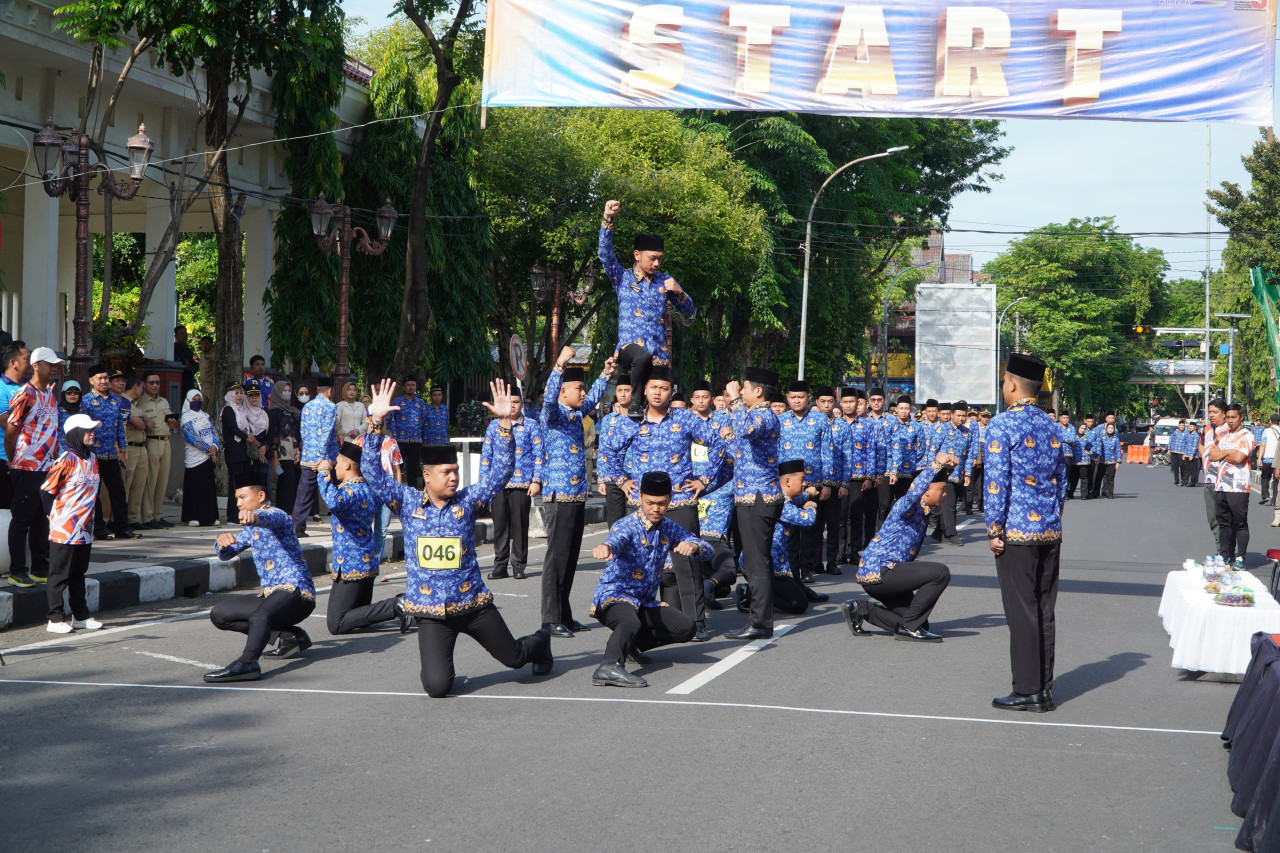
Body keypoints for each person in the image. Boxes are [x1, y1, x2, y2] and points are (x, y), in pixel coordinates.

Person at [364, 377, 553, 697]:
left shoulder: (468, 502)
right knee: (437, 686)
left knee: (515, 659)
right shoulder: (407, 503)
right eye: (446, 473)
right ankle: (440, 663)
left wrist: (504, 425)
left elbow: (500, 473)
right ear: (426, 476)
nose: (454, 477)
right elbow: (371, 472)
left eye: (456, 471)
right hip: (430, 612)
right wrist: (376, 423)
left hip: (472, 605)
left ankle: (541, 643)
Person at [597, 364, 724, 640]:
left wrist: (703, 480)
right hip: (642, 505)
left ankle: (697, 621)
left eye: (664, 388)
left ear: (671, 391)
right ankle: (638, 621)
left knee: (687, 561)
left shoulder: (685, 418)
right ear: (645, 390)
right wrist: (622, 480)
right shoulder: (631, 420)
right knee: (639, 563)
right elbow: (607, 451)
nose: (658, 392)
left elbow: (717, 443)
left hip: (680, 500)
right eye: (653, 387)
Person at [985, 353, 1067, 713]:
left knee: (1021, 612)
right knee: (1043, 609)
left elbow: (995, 482)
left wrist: (994, 528)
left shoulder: (1001, 425)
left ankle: (1027, 690)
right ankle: (1044, 687)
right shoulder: (1052, 425)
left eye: (1004, 381)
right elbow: (1062, 480)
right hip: (1049, 530)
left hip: (1017, 532)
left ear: (1013, 384)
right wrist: (1053, 518)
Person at [588, 471, 714, 688]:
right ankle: (608, 666)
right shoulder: (627, 525)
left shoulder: (669, 527)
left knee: (686, 627)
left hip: (643, 602)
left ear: (670, 501)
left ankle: (631, 644)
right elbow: (616, 539)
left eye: (661, 503)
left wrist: (693, 546)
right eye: (650, 503)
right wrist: (605, 547)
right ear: (640, 498)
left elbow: (708, 550)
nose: (656, 508)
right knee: (629, 622)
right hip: (614, 598)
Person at [206, 472, 316, 683]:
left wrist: (256, 517)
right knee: (219, 614)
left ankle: (248, 662)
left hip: (297, 593)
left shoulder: (277, 515)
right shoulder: (250, 529)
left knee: (260, 617)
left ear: (261, 496)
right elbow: (227, 554)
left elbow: (269, 518)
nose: (238, 503)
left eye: (242, 497)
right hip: (272, 595)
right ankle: (291, 636)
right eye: (236, 498)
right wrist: (221, 540)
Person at [840, 452, 958, 643]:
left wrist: (947, 470)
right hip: (881, 571)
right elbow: (914, 492)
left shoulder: (923, 509)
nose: (945, 494)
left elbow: (932, 482)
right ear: (926, 490)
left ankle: (861, 609)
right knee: (941, 573)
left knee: (919, 622)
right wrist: (936, 464)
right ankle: (908, 628)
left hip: (885, 576)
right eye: (942, 490)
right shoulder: (907, 505)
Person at [538, 345, 614, 637]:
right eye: (578, 389)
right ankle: (550, 618)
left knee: (569, 559)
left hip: (578, 494)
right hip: (559, 496)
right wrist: (559, 365)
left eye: (583, 389)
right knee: (557, 558)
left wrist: (606, 374)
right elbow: (548, 400)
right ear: (562, 391)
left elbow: (593, 398)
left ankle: (564, 615)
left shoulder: (575, 414)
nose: (583, 394)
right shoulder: (552, 414)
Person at [598, 200, 696, 419]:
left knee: (659, 402)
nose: (657, 264)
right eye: (652, 259)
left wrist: (680, 292)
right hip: (629, 349)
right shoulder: (622, 277)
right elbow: (604, 254)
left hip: (659, 355)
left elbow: (690, 312)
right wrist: (608, 219)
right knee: (641, 356)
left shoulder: (665, 281)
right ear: (637, 255)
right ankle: (634, 403)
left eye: (660, 259)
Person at [318, 443, 408, 635]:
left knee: (337, 623)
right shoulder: (368, 490)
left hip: (351, 565)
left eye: (337, 463)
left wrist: (323, 473)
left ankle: (396, 604)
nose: (335, 467)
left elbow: (332, 502)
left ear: (348, 465)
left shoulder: (351, 492)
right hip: (367, 562)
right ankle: (395, 606)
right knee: (359, 617)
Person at [721, 366, 783, 641]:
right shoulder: (756, 414)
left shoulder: (763, 415)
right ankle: (760, 619)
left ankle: (760, 622)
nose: (740, 391)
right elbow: (743, 450)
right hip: (751, 495)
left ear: (758, 391)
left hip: (757, 498)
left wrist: (734, 398)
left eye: (744, 387)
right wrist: (727, 437)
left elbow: (746, 430)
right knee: (758, 561)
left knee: (756, 563)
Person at [731, 460, 826, 619]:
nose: (804, 484)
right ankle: (749, 593)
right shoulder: (779, 503)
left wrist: (808, 494)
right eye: (802, 480)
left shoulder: (780, 496)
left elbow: (797, 498)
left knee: (797, 594)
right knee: (798, 604)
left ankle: (758, 592)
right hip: (762, 566)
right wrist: (811, 506)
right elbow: (807, 519)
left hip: (772, 565)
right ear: (787, 481)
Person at [41, 413, 104, 633]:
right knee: (59, 575)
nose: (92, 434)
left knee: (78, 574)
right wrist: (52, 516)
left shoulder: (93, 458)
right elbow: (46, 491)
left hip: (85, 528)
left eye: (93, 430)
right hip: (65, 527)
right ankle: (55, 619)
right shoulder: (66, 459)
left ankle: (81, 616)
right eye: (87, 430)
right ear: (76, 433)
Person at [5, 347, 62, 588]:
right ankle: (17, 570)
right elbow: (11, 433)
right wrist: (14, 462)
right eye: (50, 364)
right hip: (26, 467)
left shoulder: (50, 394)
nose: (54, 369)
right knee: (22, 519)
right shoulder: (24, 394)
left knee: (41, 518)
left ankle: (39, 566)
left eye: (56, 364)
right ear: (36, 366)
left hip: (47, 467)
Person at [485, 395, 542, 581]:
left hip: (522, 484)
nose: (512, 406)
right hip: (498, 484)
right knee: (500, 527)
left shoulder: (531, 425)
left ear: (522, 404)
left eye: (516, 402)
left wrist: (536, 480)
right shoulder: (493, 426)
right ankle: (500, 566)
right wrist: (485, 484)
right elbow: (486, 456)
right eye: (509, 402)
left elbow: (539, 455)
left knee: (520, 526)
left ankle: (519, 566)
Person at [82, 365, 136, 540]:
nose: (104, 381)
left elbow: (120, 427)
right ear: (92, 381)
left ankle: (122, 528)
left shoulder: (115, 400)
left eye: (106, 378)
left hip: (112, 454)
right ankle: (99, 529)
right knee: (95, 494)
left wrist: (123, 451)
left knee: (118, 493)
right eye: (100, 378)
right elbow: (82, 429)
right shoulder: (86, 401)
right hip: (94, 455)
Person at [1208, 403, 1256, 567]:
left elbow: (1239, 458)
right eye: (1227, 417)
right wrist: (1229, 452)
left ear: (1241, 417)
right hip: (1220, 485)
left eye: (1233, 417)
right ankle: (1224, 555)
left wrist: (1222, 454)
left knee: (1239, 523)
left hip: (1238, 486)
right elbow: (1212, 455)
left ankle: (1240, 557)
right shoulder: (1222, 435)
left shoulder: (1247, 436)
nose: (1230, 420)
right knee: (1223, 523)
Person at [292, 376, 338, 536]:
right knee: (334, 491)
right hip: (326, 459)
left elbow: (303, 431)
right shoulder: (330, 406)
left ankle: (297, 527)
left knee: (304, 494)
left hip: (308, 456)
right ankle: (341, 526)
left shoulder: (307, 406)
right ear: (330, 390)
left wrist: (309, 453)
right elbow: (327, 433)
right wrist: (322, 457)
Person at [351, 427, 403, 567]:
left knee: (381, 531)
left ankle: (374, 565)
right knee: (364, 528)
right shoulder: (359, 441)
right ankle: (363, 563)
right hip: (367, 491)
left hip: (387, 491)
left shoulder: (391, 442)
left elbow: (397, 469)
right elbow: (352, 467)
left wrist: (397, 492)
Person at [221, 381, 269, 524]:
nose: (239, 396)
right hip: (234, 452)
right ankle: (232, 516)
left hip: (244, 453)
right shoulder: (228, 409)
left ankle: (244, 515)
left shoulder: (241, 410)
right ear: (230, 395)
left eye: (241, 393)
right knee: (234, 484)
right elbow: (233, 428)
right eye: (236, 393)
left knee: (244, 485)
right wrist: (247, 437)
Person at [137, 371, 177, 528]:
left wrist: (172, 424)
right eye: (151, 382)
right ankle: (148, 517)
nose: (155, 385)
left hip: (166, 441)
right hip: (151, 442)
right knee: (150, 481)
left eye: (157, 382)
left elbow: (168, 423)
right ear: (144, 384)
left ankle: (158, 515)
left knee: (162, 481)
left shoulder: (163, 401)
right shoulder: (141, 403)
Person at [931, 400, 973, 546]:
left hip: (959, 474)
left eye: (964, 416)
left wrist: (967, 474)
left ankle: (939, 531)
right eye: (958, 415)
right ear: (952, 414)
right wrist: (933, 471)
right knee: (949, 505)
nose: (961, 418)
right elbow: (932, 451)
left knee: (950, 503)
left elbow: (969, 455)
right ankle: (950, 534)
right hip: (943, 474)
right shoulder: (942, 430)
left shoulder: (967, 433)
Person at [595, 374, 633, 527]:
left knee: (633, 520)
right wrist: (601, 479)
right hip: (612, 477)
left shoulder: (640, 417)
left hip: (633, 476)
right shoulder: (608, 420)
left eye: (627, 390)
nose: (623, 394)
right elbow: (603, 449)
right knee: (615, 521)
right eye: (620, 390)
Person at [179, 389, 221, 527]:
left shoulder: (205, 416)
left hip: (208, 457)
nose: (197, 402)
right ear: (188, 401)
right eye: (194, 400)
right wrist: (208, 449)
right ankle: (193, 516)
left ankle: (210, 517)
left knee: (208, 488)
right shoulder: (186, 418)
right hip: (195, 458)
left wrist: (214, 446)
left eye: (199, 399)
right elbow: (191, 437)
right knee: (196, 486)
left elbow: (213, 432)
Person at [0, 340, 30, 512]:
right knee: (6, 511)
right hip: (4, 459)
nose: (30, 363)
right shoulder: (1, 388)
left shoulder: (29, 387)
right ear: (13, 363)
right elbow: (6, 422)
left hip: (28, 461)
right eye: (26, 359)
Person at [267, 379, 300, 521]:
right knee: (287, 479)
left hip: (292, 451)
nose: (286, 393)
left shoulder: (292, 411)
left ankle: (284, 510)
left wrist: (298, 451)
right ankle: (287, 511)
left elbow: (295, 433)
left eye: (288, 391)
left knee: (287, 480)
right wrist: (274, 457)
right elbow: (273, 436)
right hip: (281, 453)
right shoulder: (274, 412)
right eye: (283, 391)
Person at [121, 374, 151, 532]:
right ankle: (123, 518)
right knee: (127, 484)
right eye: (141, 387)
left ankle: (132, 518)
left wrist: (142, 422)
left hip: (141, 447)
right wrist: (142, 422)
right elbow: (139, 423)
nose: (142, 390)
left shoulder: (136, 405)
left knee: (139, 485)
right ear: (135, 387)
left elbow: (149, 424)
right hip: (130, 447)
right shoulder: (124, 402)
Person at [388, 377, 427, 489]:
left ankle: (412, 491)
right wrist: (394, 436)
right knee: (398, 467)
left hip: (415, 440)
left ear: (416, 387)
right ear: (404, 387)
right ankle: (397, 490)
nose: (411, 387)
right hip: (400, 440)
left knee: (413, 468)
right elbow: (391, 419)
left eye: (413, 385)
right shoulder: (397, 402)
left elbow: (423, 419)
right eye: (408, 385)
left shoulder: (421, 403)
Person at [1200, 400, 1229, 539]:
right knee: (1213, 520)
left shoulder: (1230, 430)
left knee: (1225, 520)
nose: (1211, 415)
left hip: (1224, 482)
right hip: (1209, 481)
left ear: (1224, 413)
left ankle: (1228, 549)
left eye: (1215, 412)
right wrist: (1204, 459)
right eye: (1210, 412)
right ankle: (1221, 549)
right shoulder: (1207, 429)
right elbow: (1201, 444)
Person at [885, 395, 922, 504]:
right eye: (901, 408)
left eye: (906, 408)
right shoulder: (889, 425)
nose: (903, 411)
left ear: (910, 410)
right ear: (896, 409)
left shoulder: (916, 426)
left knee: (904, 503)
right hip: (889, 470)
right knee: (885, 503)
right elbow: (886, 446)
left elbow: (921, 448)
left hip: (907, 470)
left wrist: (911, 458)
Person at [1259, 414, 1280, 506]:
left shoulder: (1266, 431)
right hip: (1278, 460)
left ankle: (1265, 496)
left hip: (1267, 458)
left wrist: (1259, 458)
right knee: (1276, 480)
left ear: (1270, 421)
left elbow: (1262, 445)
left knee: (1265, 477)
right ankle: (1274, 500)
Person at [56, 380, 81, 453]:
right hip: (63, 451)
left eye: (76, 392)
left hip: (81, 451)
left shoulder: (84, 410)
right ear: (64, 394)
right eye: (69, 392)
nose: (72, 395)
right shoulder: (57, 411)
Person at [1099, 423, 1122, 498]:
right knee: (1100, 477)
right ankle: (1098, 492)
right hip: (1102, 460)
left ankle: (1110, 493)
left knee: (1110, 477)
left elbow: (1118, 450)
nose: (1110, 430)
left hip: (1112, 461)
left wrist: (1118, 462)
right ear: (1106, 429)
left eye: (1112, 428)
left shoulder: (1116, 439)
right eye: (1109, 428)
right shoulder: (1102, 437)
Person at [174, 325, 199, 394]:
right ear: (176, 336)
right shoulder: (173, 348)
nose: (184, 336)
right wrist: (184, 361)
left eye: (185, 333)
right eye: (181, 334)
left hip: (188, 382)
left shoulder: (188, 350)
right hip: (179, 382)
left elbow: (194, 365)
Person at [1071, 423, 1093, 500]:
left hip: (1084, 460)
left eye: (1084, 428)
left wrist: (1090, 452)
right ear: (1078, 428)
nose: (1083, 430)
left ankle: (1084, 495)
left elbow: (1094, 445)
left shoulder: (1087, 437)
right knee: (1073, 478)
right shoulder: (1073, 436)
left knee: (1084, 477)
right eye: (1081, 428)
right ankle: (1070, 493)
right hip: (1074, 460)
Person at [1170, 419, 1188, 486]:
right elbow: (1171, 440)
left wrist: (1186, 453)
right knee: (1175, 467)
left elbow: (1187, 443)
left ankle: (1183, 480)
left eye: (1183, 425)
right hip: (1174, 451)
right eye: (1180, 425)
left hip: (1182, 452)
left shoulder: (1187, 433)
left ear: (1184, 426)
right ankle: (1176, 480)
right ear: (1178, 426)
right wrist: (1169, 448)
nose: (1182, 427)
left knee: (1182, 466)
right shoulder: (1175, 432)